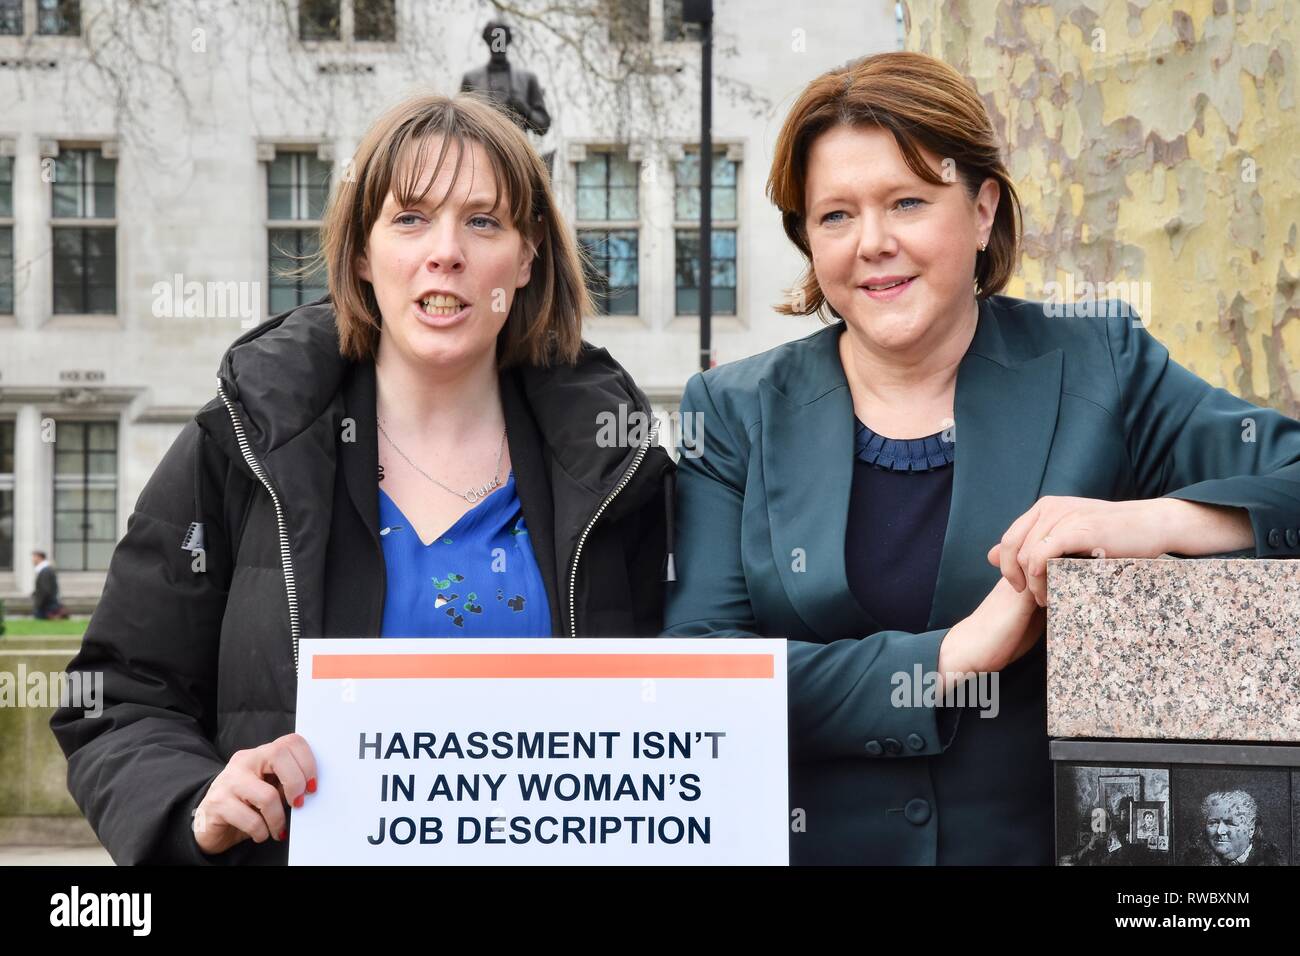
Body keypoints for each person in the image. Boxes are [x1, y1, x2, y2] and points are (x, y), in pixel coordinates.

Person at [662, 51, 1300, 865]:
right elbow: (705, 680)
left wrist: (1159, 522)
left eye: (907, 202)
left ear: (982, 208)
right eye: (835, 216)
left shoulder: (1099, 364)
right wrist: (953, 656)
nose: (873, 243)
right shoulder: (733, 410)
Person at [50, 92, 673, 865]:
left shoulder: (621, 469)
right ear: (360, 255)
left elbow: (688, 722)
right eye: (409, 218)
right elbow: (115, 698)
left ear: (527, 254)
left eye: (484, 221)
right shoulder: (242, 442)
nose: (445, 251)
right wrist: (194, 803)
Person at [1182, 790, 1284, 865]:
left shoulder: (1272, 861)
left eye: (1230, 823)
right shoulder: (1193, 860)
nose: (1220, 831)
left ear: (1251, 829)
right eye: (1213, 822)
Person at [30, 550, 68, 620]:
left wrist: (39, 604)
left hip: (47, 606)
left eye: (34, 557)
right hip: (47, 604)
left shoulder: (45, 571)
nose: (32, 560)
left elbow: (45, 590)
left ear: (39, 557)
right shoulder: (45, 570)